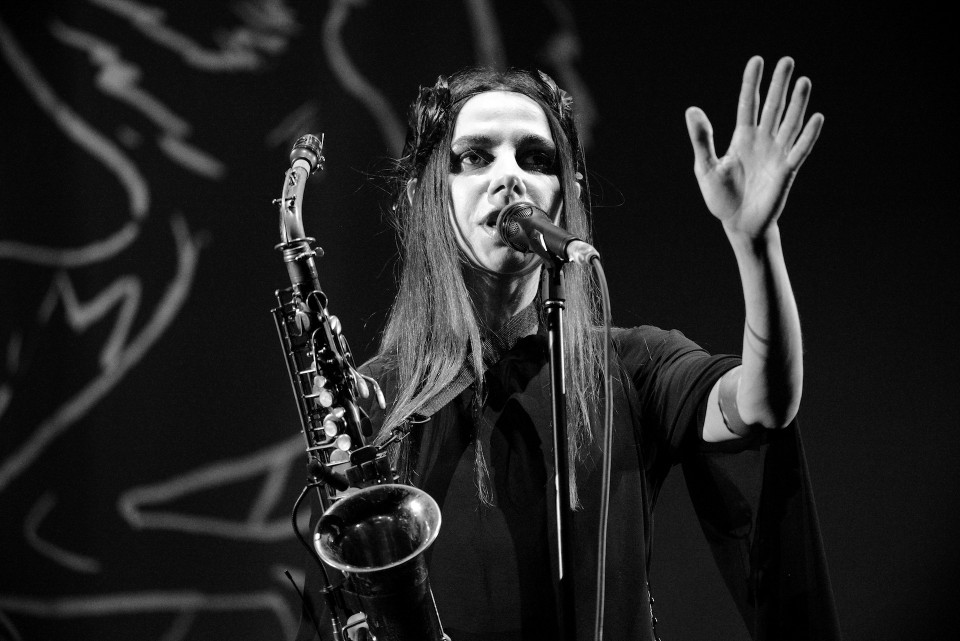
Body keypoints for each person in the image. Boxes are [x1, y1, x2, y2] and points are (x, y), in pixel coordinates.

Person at [295, 56, 841, 641]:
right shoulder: (374, 400)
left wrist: (756, 243)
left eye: (537, 158)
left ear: (568, 195)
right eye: (475, 157)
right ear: (419, 198)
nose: (510, 178)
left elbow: (762, 404)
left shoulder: (631, 366)